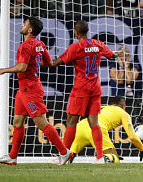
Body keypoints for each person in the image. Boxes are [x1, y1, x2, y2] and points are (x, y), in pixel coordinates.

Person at [0, 17, 71, 165]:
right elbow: (49, 63)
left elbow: (22, 67)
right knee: (17, 121)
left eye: (26, 23)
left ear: (30, 30)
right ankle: (12, 157)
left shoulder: (25, 46)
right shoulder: (39, 44)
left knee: (41, 123)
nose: (22, 25)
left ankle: (64, 152)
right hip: (24, 89)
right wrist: (34, 62)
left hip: (30, 90)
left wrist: (4, 70)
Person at [49, 20, 116, 163]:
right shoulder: (98, 44)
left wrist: (42, 62)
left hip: (80, 89)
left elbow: (57, 62)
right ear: (87, 31)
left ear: (76, 32)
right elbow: (111, 55)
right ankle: (99, 157)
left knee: (71, 121)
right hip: (95, 89)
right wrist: (117, 53)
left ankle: (64, 155)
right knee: (94, 123)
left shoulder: (75, 47)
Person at [64, 96, 143, 164]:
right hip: (96, 128)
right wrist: (142, 150)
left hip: (80, 126)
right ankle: (107, 158)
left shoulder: (103, 107)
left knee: (68, 158)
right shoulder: (123, 113)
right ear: (123, 106)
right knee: (115, 159)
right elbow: (132, 136)